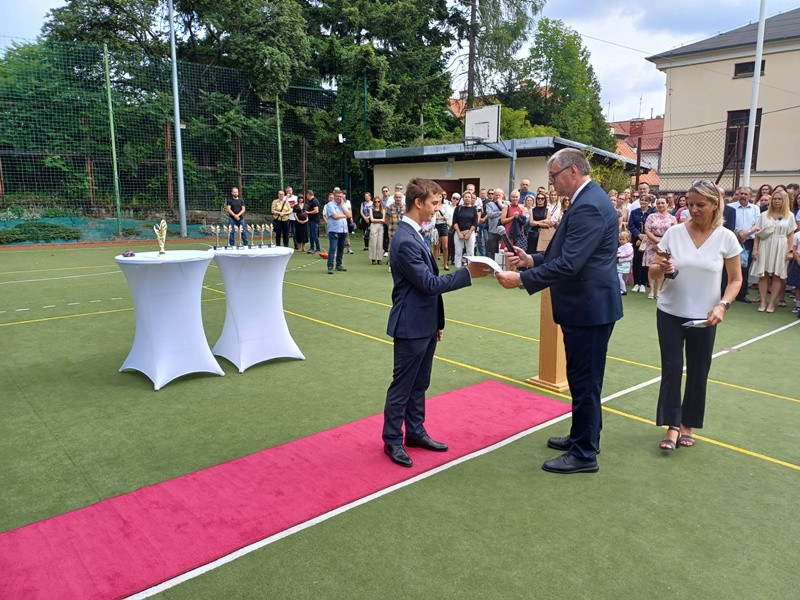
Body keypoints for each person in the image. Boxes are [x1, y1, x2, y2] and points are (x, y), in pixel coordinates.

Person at [496, 148, 623, 474]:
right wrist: (531, 260)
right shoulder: (586, 199)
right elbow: (565, 253)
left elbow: (570, 263)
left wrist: (522, 279)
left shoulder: (589, 205)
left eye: (553, 176)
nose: (551, 182)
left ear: (572, 172)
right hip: (586, 306)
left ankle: (584, 453)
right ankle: (583, 436)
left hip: (588, 308)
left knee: (585, 381)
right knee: (582, 380)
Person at [382, 178, 490, 467]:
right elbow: (429, 284)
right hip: (410, 326)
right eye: (434, 203)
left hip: (424, 323)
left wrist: (436, 322)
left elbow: (426, 286)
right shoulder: (405, 239)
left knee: (420, 384)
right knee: (403, 387)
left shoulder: (414, 233)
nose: (437, 209)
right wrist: (468, 273)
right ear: (418, 203)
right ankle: (392, 440)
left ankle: (415, 432)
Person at [648, 180, 742, 451]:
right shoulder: (674, 233)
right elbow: (653, 271)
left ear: (715, 204)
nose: (694, 209)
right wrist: (661, 268)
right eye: (690, 204)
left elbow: (736, 279)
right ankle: (672, 425)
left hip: (705, 317)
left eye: (700, 204)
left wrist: (722, 305)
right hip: (670, 311)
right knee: (672, 368)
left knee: (699, 370)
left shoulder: (726, 237)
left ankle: (688, 424)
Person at [751, 189, 794, 313]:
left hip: (781, 246)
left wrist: (790, 251)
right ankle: (763, 301)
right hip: (765, 245)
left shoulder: (789, 215)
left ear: (784, 200)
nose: (776, 201)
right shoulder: (764, 215)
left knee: (777, 276)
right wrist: (755, 249)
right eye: (774, 198)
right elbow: (758, 234)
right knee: (763, 275)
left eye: (779, 199)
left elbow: (790, 235)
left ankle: (771, 303)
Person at [643, 196, 677, 299]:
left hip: (666, 245)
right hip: (652, 244)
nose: (660, 205)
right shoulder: (651, 216)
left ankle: (658, 290)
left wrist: (663, 243)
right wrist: (657, 242)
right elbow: (647, 230)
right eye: (658, 203)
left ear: (667, 204)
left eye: (663, 203)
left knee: (661, 266)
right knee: (652, 266)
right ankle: (651, 290)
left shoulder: (672, 218)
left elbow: (674, 232)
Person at [730, 186, 760, 303]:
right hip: (733, 240)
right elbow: (728, 223)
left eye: (745, 194)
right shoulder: (731, 207)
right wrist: (738, 234)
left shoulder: (755, 208)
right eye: (741, 193)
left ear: (750, 196)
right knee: (729, 267)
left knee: (744, 268)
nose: (743, 196)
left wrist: (745, 234)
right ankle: (727, 293)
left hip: (748, 241)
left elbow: (757, 224)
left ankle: (741, 294)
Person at [628, 193, 654, 293]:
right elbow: (631, 225)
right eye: (642, 200)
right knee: (636, 260)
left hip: (648, 239)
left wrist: (644, 237)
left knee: (645, 260)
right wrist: (638, 235)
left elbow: (652, 226)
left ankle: (643, 283)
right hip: (636, 239)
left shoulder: (652, 213)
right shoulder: (634, 212)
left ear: (649, 202)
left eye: (646, 200)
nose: (643, 202)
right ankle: (636, 283)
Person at [323, 188, 351, 274]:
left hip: (343, 230)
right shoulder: (330, 205)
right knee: (333, 248)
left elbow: (349, 215)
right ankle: (330, 266)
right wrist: (344, 215)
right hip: (334, 230)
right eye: (337, 196)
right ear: (334, 197)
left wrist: (342, 207)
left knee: (341, 248)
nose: (339, 198)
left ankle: (339, 264)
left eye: (340, 196)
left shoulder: (343, 204)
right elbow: (334, 216)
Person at [452, 191, 479, 267]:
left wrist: (469, 234)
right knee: (458, 251)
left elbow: (475, 223)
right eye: (465, 197)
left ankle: (470, 268)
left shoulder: (473, 209)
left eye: (469, 197)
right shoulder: (458, 208)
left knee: (470, 252)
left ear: (471, 199)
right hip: (458, 232)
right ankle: (458, 268)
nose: (467, 198)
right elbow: (454, 222)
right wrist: (459, 233)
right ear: (463, 198)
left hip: (470, 232)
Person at [368, 195, 385, 265]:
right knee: (373, 242)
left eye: (378, 202)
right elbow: (372, 219)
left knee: (380, 243)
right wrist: (379, 220)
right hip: (373, 226)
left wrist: (377, 220)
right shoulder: (371, 210)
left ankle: (379, 258)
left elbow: (384, 220)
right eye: (375, 202)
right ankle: (373, 258)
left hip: (380, 226)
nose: (377, 203)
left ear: (380, 202)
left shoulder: (383, 210)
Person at [617, 230, 633, 295]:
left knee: (619, 276)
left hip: (624, 264)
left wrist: (618, 255)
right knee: (618, 276)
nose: (621, 241)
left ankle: (623, 289)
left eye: (623, 239)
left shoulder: (628, 246)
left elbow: (627, 253)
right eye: (620, 239)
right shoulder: (622, 246)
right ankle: (621, 288)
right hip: (620, 263)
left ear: (627, 239)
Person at [305, 189, 321, 254]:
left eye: (306, 195)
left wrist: (308, 212)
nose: (306, 196)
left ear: (308, 194)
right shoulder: (311, 201)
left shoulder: (314, 201)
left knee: (314, 235)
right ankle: (312, 248)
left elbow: (316, 210)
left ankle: (318, 249)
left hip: (314, 220)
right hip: (311, 220)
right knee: (311, 235)